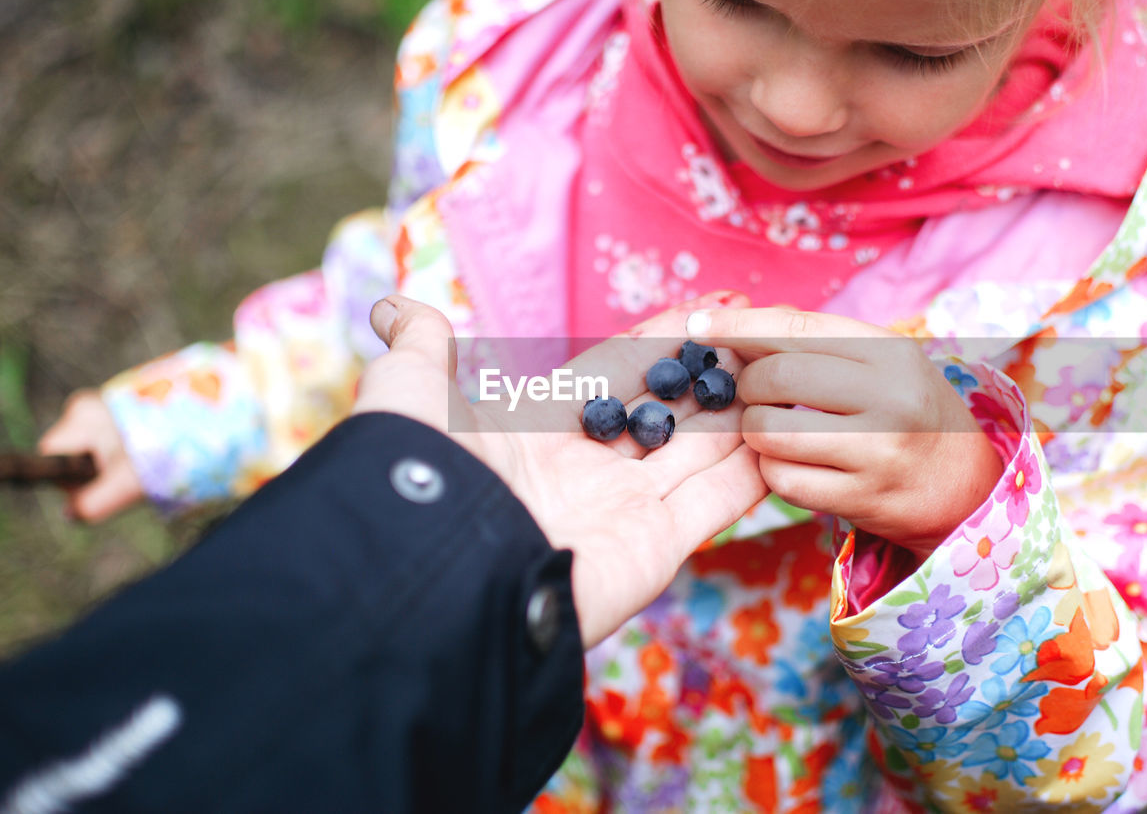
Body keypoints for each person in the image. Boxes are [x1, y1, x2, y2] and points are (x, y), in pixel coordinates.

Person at [38, 0, 1147, 808]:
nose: (791, 101)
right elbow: (418, 337)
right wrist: (184, 417)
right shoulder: (530, 101)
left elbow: (1086, 764)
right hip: (494, 727)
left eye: (906, 49)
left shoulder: (1097, 326)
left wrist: (959, 510)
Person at [1, 294, 766, 813]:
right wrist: (167, 420)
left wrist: (895, 518)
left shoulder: (886, 363)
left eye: (892, 58)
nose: (794, 107)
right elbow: (317, 347)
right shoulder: (484, 135)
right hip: (477, 741)